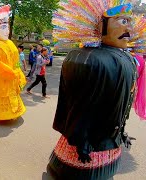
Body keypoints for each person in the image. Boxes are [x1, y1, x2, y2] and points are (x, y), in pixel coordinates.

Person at [48, 2, 146, 179]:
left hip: (109, 135)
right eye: (122, 20)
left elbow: (121, 102)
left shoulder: (127, 58)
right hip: (87, 142)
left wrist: (120, 131)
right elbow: (80, 105)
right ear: (101, 25)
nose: (129, 28)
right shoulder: (89, 59)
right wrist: (81, 140)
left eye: (130, 21)